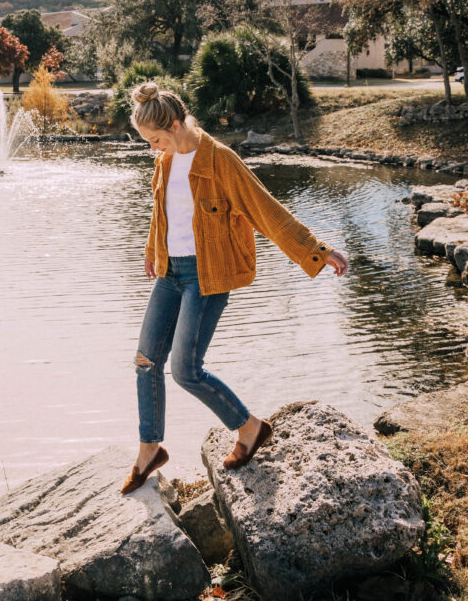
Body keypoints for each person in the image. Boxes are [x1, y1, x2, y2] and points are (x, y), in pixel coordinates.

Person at [121, 82, 348, 494]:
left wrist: (316, 250)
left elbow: (266, 211)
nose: (153, 148)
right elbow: (162, 213)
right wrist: (152, 250)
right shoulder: (165, 162)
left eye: (156, 139)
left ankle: (249, 428)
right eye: (148, 142)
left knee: (186, 371)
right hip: (170, 274)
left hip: (207, 276)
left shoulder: (220, 160)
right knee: (144, 362)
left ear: (175, 125)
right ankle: (149, 450)